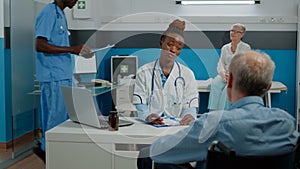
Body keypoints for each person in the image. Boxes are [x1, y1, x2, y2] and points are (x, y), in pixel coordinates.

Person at [137, 50, 299, 169]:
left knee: (150, 156)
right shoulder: (287, 123)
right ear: (268, 87)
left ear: (229, 83)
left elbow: (159, 150)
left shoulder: (215, 124)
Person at [34, 0, 92, 162]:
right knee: (55, 121)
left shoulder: (60, 14)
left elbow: (57, 44)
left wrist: (75, 51)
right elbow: (40, 44)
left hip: (63, 75)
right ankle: (51, 155)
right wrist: (71, 49)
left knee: (60, 119)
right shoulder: (49, 13)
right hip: (54, 76)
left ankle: (49, 150)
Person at [132, 19, 199, 125]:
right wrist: (148, 115)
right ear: (161, 42)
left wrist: (189, 115)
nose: (173, 50)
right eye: (170, 44)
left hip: (177, 127)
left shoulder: (187, 74)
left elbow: (190, 104)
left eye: (178, 47)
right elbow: (139, 102)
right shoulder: (144, 72)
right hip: (150, 126)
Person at [208, 23, 251, 111]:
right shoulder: (225, 48)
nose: (233, 33)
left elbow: (245, 65)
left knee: (226, 90)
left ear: (242, 34)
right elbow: (221, 64)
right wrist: (223, 74)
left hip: (238, 76)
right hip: (225, 75)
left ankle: (222, 114)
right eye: (232, 31)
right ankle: (213, 113)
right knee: (215, 85)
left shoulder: (246, 48)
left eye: (236, 31)